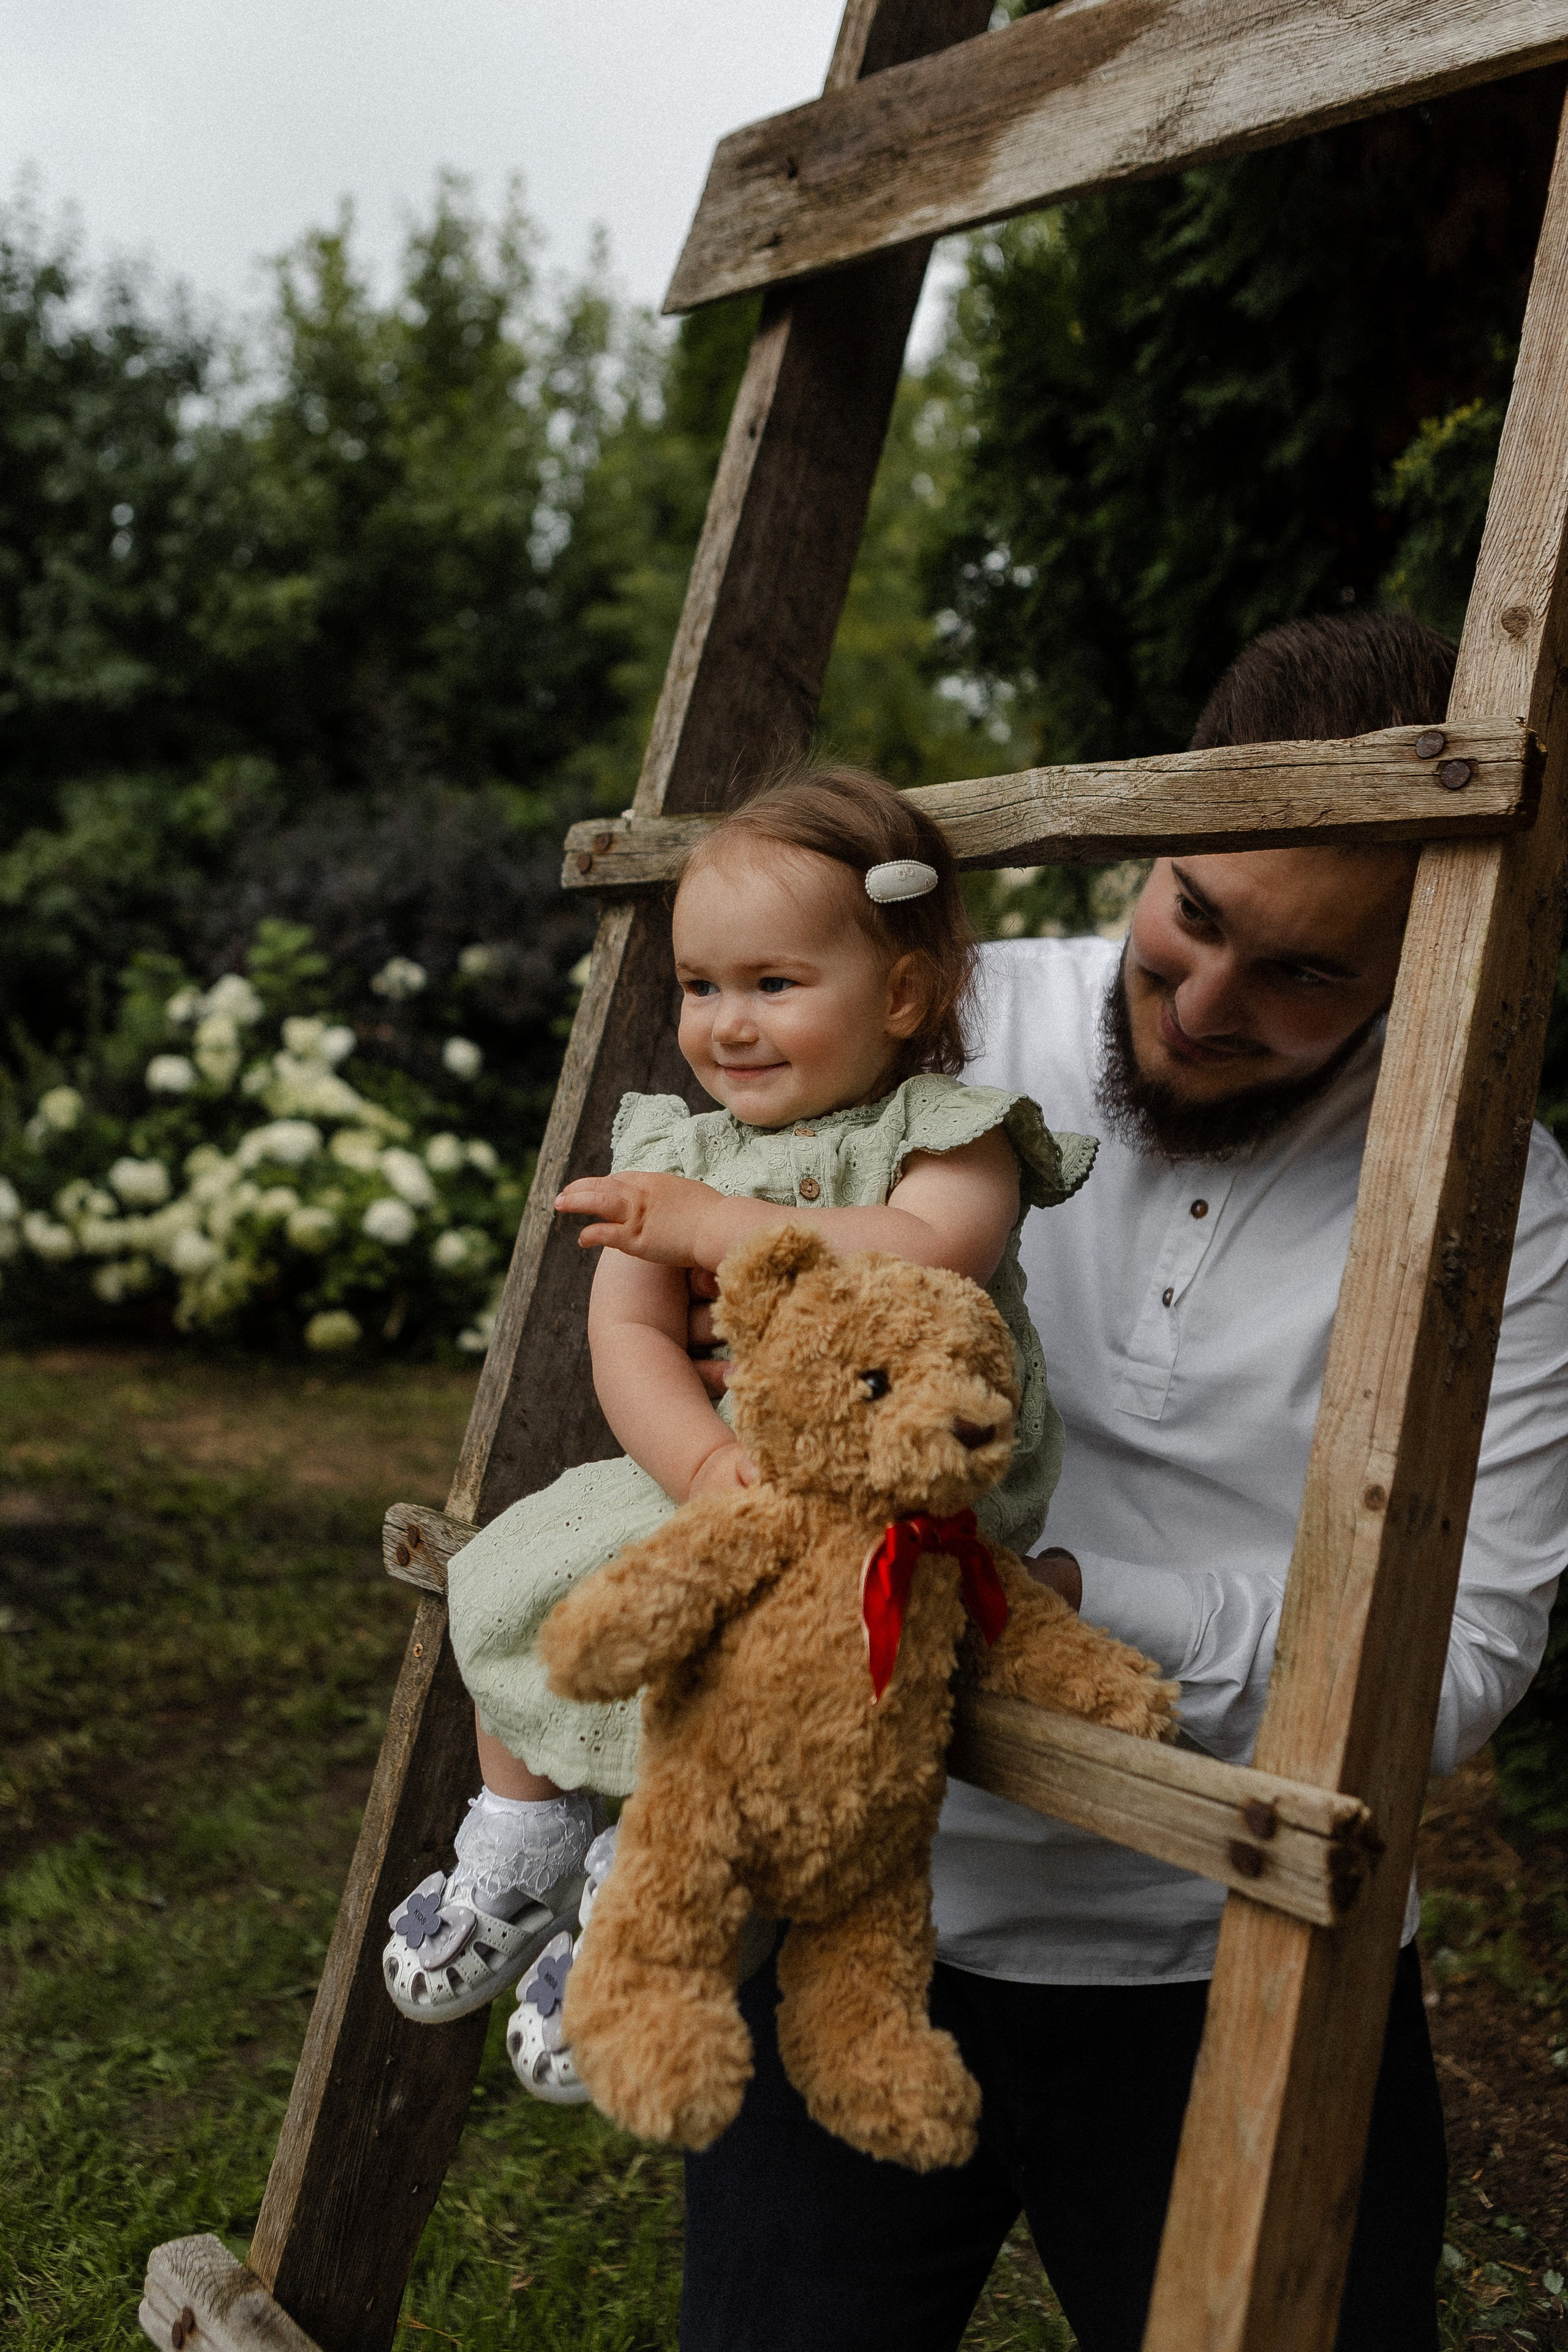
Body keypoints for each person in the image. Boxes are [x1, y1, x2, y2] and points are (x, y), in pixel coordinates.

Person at [677, 610, 1568, 2352]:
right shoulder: (933, 1026)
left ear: (1425, 960)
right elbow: (703, 1271)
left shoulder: (1502, 1207)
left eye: (1305, 974)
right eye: (1195, 916)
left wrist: (1079, 1606)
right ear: (1157, 839)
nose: (1208, 1004)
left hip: (1239, 1958)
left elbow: (1464, 1660)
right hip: (861, 1895)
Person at [380, 763, 1104, 2100]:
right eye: (700, 987)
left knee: (750, 1658)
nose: (725, 1023)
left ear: (898, 994)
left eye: (771, 984)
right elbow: (632, 1336)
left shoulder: (947, 1139)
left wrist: (720, 1233)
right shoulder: (677, 1149)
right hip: (719, 1476)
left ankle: (649, 1897)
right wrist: (705, 1470)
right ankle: (522, 1834)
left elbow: (918, 1261)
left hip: (899, 1502)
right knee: (529, 1567)